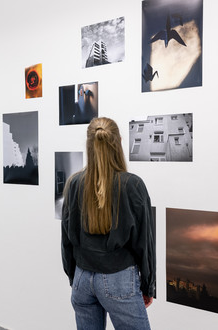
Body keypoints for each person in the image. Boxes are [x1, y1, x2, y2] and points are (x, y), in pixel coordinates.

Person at [61, 117, 156, 330]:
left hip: (82, 278)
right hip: (119, 278)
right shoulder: (132, 185)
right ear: (118, 142)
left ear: (89, 145)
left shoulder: (74, 183)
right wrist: (148, 286)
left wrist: (74, 277)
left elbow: (67, 239)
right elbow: (145, 243)